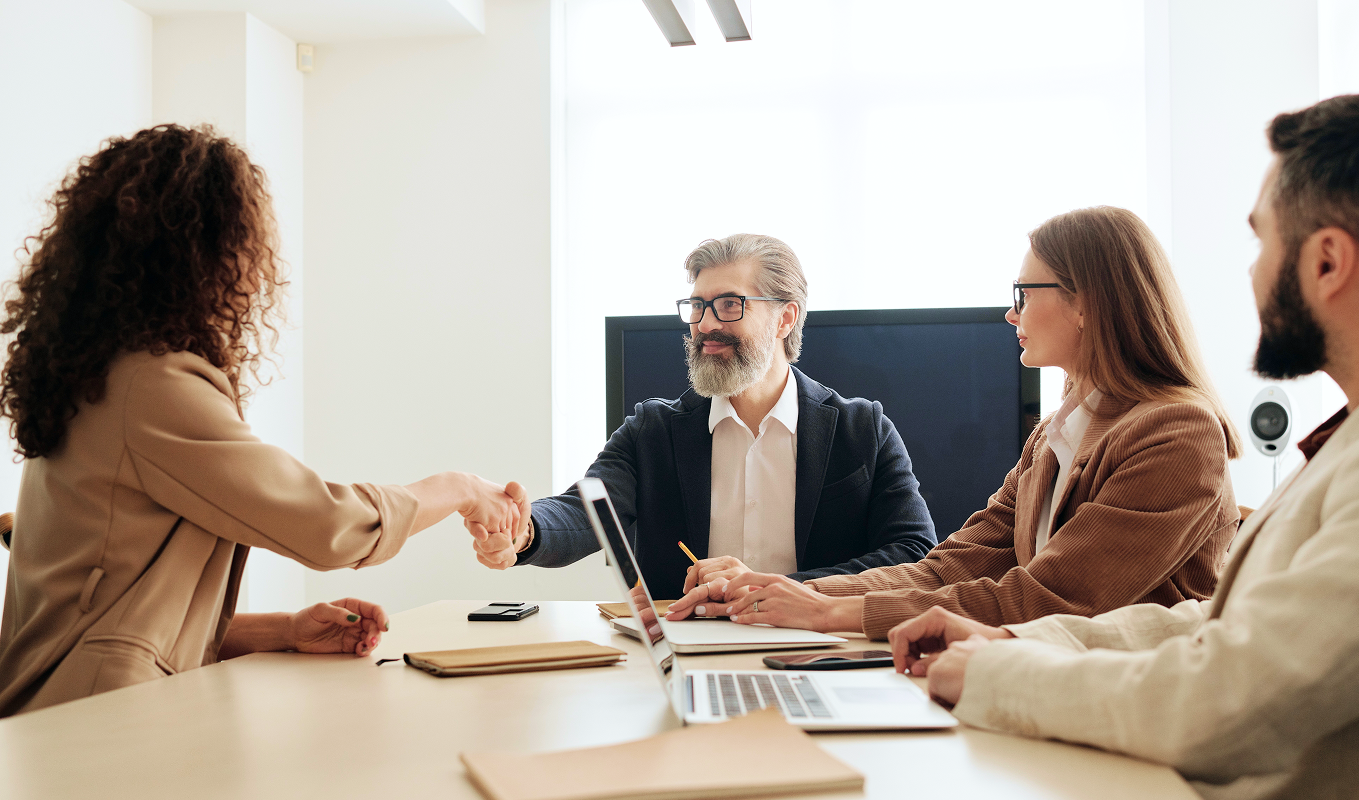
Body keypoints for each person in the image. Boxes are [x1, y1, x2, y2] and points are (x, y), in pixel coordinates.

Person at [886, 89, 1359, 800]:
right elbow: (1217, 626)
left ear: (1328, 262)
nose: (1250, 272)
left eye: (1261, 240)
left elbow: (1234, 697)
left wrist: (1000, 675)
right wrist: (1017, 644)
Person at [0, 125, 528, 717]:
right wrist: (458, 488)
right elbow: (327, 525)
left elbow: (115, 613)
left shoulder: (97, 376)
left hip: (68, 715)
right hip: (91, 727)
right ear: (206, 250)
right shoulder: (151, 385)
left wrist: (283, 629)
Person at [667, 207, 1242, 638]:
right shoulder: (1055, 435)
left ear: (1087, 302)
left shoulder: (1178, 435)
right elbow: (951, 566)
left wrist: (831, 611)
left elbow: (1052, 599)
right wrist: (786, 594)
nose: (1010, 312)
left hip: (1127, 721)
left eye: (1023, 292)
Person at [470, 234, 937, 601]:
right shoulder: (652, 431)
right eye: (697, 306)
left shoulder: (864, 430)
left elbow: (913, 554)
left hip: (818, 645)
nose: (706, 324)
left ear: (785, 318)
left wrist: (773, 588)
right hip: (688, 646)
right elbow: (584, 512)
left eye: (729, 305)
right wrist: (524, 529)